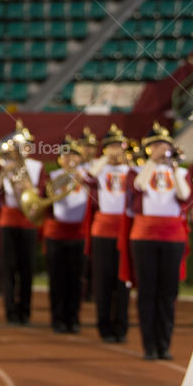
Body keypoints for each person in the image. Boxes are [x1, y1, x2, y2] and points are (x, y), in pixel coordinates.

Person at [122, 124, 191, 361]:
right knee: (147, 291)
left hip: (172, 236)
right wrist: (153, 162)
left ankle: (165, 343)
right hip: (144, 236)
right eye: (158, 146)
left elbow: (184, 195)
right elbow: (137, 186)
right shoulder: (138, 171)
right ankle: (149, 345)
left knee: (167, 293)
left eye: (166, 145)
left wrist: (171, 167)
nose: (164, 149)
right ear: (149, 149)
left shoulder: (179, 172)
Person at [0, 123, 44, 326]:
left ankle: (25, 310)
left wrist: (29, 187)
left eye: (26, 145)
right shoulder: (5, 164)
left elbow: (40, 193)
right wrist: (6, 171)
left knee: (27, 267)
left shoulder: (37, 167)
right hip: (8, 220)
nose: (23, 149)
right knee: (8, 267)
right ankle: (10, 311)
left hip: (28, 220)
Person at [85, 125, 131, 343]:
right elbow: (88, 176)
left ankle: (121, 325)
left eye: (118, 146)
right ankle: (104, 325)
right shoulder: (98, 167)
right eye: (111, 146)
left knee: (123, 280)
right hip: (103, 229)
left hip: (124, 229)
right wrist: (105, 157)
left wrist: (124, 159)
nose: (115, 150)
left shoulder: (131, 169)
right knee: (103, 280)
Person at [42, 139, 89, 333]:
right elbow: (44, 200)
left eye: (75, 155)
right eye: (66, 155)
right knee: (57, 278)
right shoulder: (52, 177)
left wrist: (83, 179)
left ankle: (73, 318)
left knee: (76, 279)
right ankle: (58, 318)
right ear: (60, 159)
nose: (71, 159)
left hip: (78, 233)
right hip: (56, 232)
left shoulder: (87, 177)